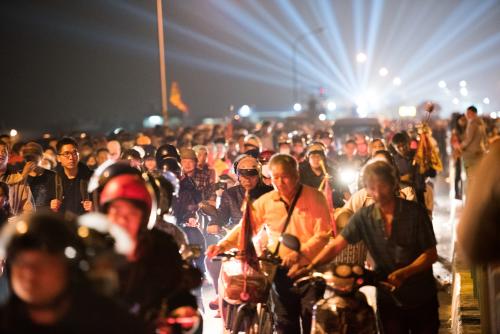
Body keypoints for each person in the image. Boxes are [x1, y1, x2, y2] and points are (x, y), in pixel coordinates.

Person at [298, 161, 439, 334]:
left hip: (421, 296)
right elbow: (336, 246)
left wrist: (405, 272)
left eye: (383, 186)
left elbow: (431, 254)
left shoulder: (415, 213)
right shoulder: (364, 217)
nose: (378, 193)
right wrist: (310, 266)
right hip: (388, 298)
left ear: (394, 184)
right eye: (372, 188)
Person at [207, 153, 332, 334]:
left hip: (310, 270)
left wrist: (301, 253)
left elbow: (322, 235)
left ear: (296, 175)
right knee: (284, 322)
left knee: (311, 319)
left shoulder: (315, 197)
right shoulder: (267, 201)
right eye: (275, 178)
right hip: (279, 269)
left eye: (285, 177)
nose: (280, 182)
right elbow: (247, 228)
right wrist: (223, 245)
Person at [0, 212, 147, 334]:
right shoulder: (6, 322)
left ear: (69, 268)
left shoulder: (113, 324)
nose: (29, 272)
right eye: (20, 263)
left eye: (43, 263)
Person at [95, 163, 198, 329]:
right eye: (116, 211)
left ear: (145, 217)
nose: (123, 220)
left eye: (132, 213)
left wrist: (182, 310)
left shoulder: (163, 246)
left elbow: (178, 292)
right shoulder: (93, 246)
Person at [205, 155, 272, 311]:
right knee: (211, 259)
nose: (248, 179)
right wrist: (215, 222)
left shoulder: (270, 193)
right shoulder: (230, 194)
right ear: (238, 175)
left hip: (264, 240)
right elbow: (222, 215)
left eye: (252, 174)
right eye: (243, 175)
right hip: (236, 238)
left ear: (259, 174)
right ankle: (219, 292)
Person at [51, 137, 93, 216]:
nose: (71, 157)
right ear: (58, 158)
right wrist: (51, 207)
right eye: (66, 154)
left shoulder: (92, 177)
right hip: (63, 226)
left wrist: (94, 208)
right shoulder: (53, 180)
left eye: (74, 153)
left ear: (78, 155)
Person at [0, 141, 34, 215]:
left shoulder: (19, 181)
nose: (0, 154)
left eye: (3, 151)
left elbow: (28, 210)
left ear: (8, 156)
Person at [21, 142, 56, 211]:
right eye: (28, 159)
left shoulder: (52, 175)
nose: (31, 161)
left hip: (46, 215)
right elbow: (15, 197)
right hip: (26, 215)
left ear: (42, 157)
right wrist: (24, 175)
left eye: (33, 158)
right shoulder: (18, 175)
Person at [459, 105, 488, 179]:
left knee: (471, 176)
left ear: (474, 113)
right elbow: (485, 139)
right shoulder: (481, 123)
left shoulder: (472, 124)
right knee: (478, 176)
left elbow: (469, 139)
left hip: (471, 153)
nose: (467, 115)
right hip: (480, 152)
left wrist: (460, 146)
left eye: (469, 112)